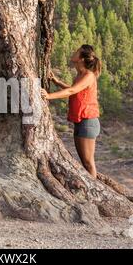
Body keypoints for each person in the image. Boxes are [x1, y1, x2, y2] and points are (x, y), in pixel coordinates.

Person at [41, 44, 102, 178]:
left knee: (88, 163)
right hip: (81, 123)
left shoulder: (88, 75)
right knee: (84, 162)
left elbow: (72, 90)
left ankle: (93, 191)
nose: (73, 53)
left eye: (77, 52)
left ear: (81, 59)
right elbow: (74, 89)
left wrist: (48, 96)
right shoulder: (80, 75)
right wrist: (56, 82)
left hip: (88, 122)